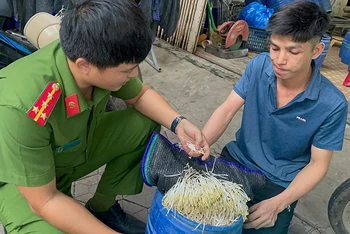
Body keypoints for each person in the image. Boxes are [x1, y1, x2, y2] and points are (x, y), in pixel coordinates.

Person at [0, 0, 209, 234]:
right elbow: (44, 200)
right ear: (85, 65)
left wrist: (179, 123)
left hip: (70, 150)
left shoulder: (90, 51)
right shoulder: (23, 109)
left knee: (144, 122)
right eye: (126, 70)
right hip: (25, 183)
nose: (133, 75)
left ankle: (102, 207)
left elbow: (140, 96)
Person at [202, 1, 348, 233]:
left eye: (293, 51)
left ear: (316, 51)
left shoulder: (332, 104)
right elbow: (227, 109)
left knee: (262, 226)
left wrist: (279, 203)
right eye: (274, 48)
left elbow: (318, 164)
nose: (279, 60)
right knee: (202, 219)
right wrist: (201, 145)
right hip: (239, 160)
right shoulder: (259, 66)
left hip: (280, 183)